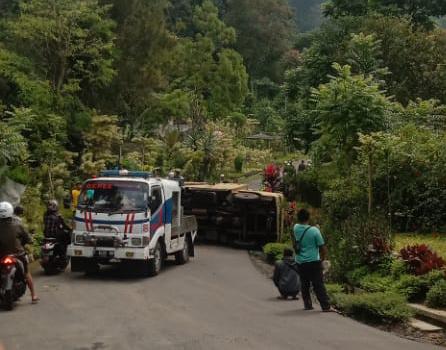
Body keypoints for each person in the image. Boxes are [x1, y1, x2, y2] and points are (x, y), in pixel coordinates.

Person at [293, 208, 331, 311]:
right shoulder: (314, 231)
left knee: (304, 283)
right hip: (313, 261)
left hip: (300, 261)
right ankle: (325, 306)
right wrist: (322, 260)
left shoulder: (296, 228)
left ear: (298, 218)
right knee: (318, 284)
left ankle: (307, 304)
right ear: (309, 217)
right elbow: (322, 248)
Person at [0, 201, 38, 304]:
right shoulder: (17, 224)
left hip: (2, 256)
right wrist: (27, 242)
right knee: (26, 273)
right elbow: (27, 238)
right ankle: (33, 295)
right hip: (17, 254)